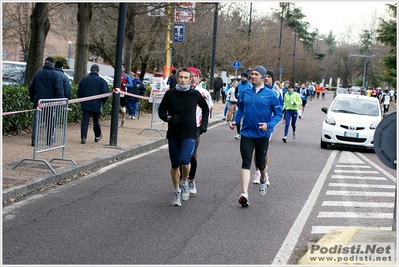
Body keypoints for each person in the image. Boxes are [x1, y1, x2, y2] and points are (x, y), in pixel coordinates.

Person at [228, 65, 283, 207]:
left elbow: (278, 114)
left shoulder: (271, 95)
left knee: (260, 164)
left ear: (263, 77)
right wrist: (235, 120)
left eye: (256, 74)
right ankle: (244, 193)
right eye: (252, 74)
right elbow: (241, 110)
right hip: (246, 132)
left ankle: (264, 178)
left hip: (262, 134)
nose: (253, 76)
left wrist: (269, 125)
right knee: (246, 162)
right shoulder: (245, 92)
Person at [158, 68, 209, 206]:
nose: (183, 80)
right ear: (177, 78)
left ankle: (185, 182)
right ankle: (176, 191)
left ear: (189, 79)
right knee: (175, 165)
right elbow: (161, 111)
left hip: (189, 133)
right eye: (181, 77)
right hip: (174, 133)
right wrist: (169, 118)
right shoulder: (170, 94)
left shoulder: (195, 94)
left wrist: (204, 124)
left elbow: (205, 108)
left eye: (186, 77)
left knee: (185, 160)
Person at [184, 67, 213, 195]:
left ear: (198, 78)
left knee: (192, 152)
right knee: (182, 153)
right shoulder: (180, 91)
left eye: (195, 75)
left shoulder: (203, 92)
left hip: (196, 125)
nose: (192, 78)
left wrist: (205, 120)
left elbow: (209, 106)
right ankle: (183, 176)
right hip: (182, 126)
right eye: (190, 75)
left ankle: (191, 179)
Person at [252, 70, 284, 186]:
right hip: (255, 122)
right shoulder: (256, 89)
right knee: (256, 149)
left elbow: (280, 107)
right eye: (266, 76)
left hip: (268, 125)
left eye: (269, 77)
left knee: (264, 149)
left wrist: (272, 122)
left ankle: (265, 174)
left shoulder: (276, 91)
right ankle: (257, 171)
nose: (267, 79)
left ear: (272, 79)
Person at [29, 56, 64, 146]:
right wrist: (59, 102)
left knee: (37, 121)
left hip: (39, 102)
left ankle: (34, 139)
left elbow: (31, 87)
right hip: (50, 103)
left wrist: (33, 99)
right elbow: (59, 90)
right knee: (50, 121)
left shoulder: (38, 73)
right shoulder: (55, 74)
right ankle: (49, 139)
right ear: (52, 64)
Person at [77, 64, 109, 144]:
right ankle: (97, 135)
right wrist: (102, 102)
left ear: (90, 70)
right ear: (98, 71)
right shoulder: (102, 81)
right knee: (96, 120)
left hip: (86, 102)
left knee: (85, 120)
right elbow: (105, 94)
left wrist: (82, 100)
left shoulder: (84, 79)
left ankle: (83, 137)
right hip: (96, 103)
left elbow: (79, 91)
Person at [234, 72, 252, 140]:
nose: (242, 78)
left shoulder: (250, 85)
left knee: (246, 118)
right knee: (237, 118)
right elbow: (235, 92)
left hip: (247, 104)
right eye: (242, 76)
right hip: (240, 103)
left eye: (244, 76)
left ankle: (245, 132)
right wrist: (237, 97)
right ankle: (238, 133)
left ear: (246, 78)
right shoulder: (239, 85)